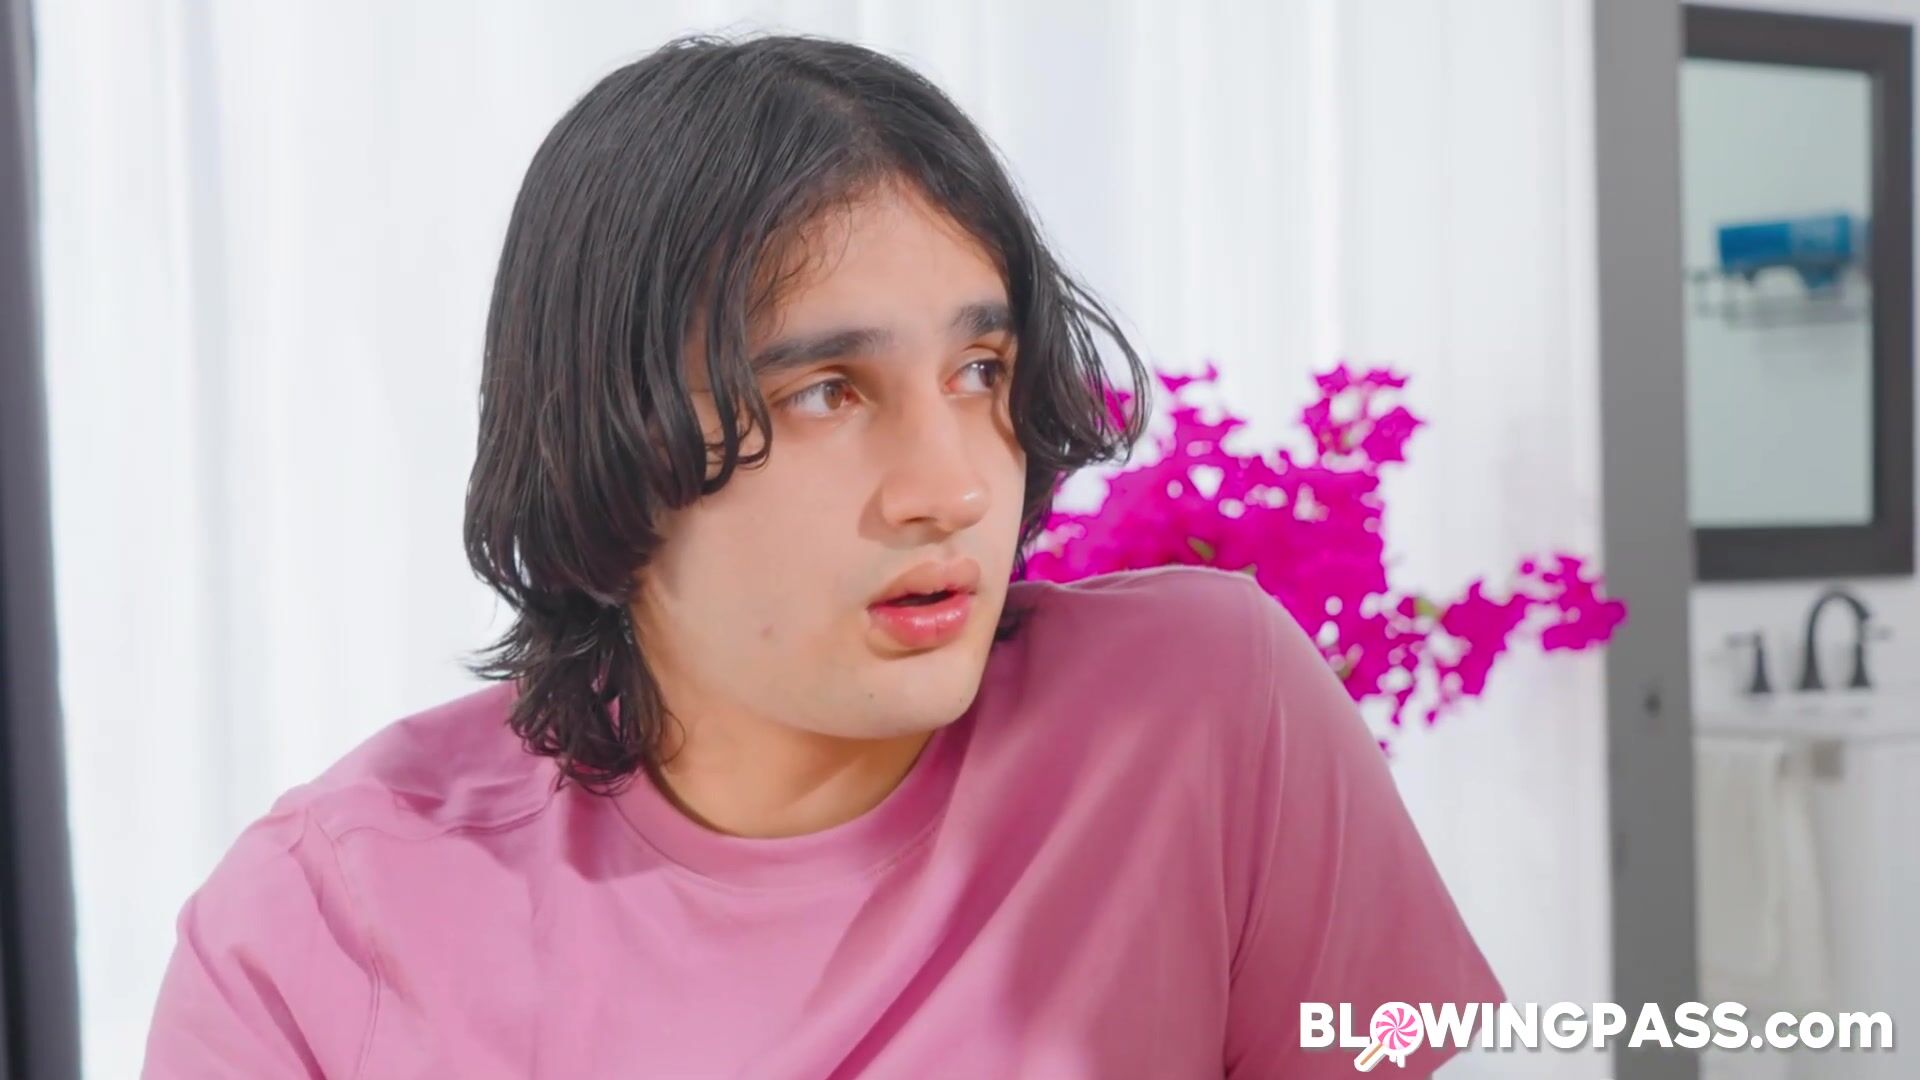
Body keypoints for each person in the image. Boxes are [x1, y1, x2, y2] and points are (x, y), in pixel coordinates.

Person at [142, 31, 1504, 1078]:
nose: (950, 488)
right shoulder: (325, 922)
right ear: (604, 441)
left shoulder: (1201, 712)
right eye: (826, 393)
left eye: (980, 369)